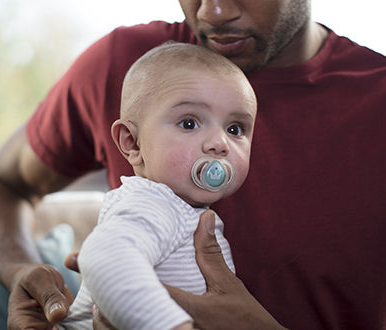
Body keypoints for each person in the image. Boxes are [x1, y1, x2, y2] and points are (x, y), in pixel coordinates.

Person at [0, 1, 386, 329]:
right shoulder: (134, 67)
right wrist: (20, 270)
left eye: (236, 129)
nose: (213, 12)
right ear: (130, 142)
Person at [61, 41, 256, 330]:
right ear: (132, 143)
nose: (219, 143)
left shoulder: (181, 209)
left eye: (235, 129)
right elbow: (105, 257)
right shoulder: (153, 203)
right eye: (189, 123)